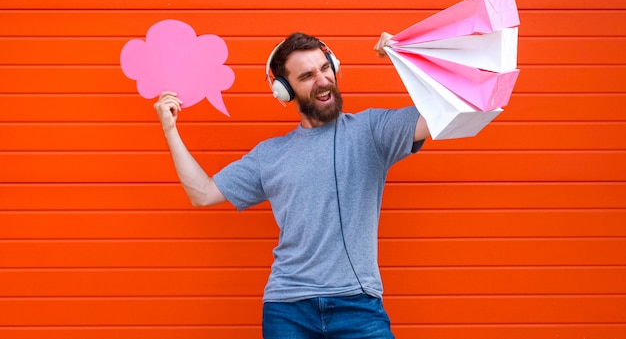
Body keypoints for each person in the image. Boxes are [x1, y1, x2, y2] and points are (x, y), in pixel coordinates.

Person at [154, 32, 430, 339]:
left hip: (358, 304)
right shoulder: (270, 155)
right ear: (284, 90)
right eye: (307, 76)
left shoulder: (372, 130)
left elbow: (451, 111)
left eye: (326, 68)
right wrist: (170, 130)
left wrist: (408, 57)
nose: (323, 80)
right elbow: (202, 193)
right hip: (288, 309)